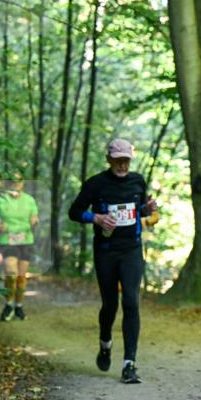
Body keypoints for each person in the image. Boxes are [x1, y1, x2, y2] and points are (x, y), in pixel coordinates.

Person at [68, 139, 158, 384]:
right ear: (109, 159)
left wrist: (148, 208)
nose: (122, 165)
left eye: (126, 160)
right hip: (106, 252)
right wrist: (96, 218)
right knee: (110, 305)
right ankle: (105, 343)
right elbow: (74, 212)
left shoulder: (137, 181)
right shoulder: (95, 184)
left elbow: (139, 209)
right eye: (118, 160)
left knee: (131, 302)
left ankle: (129, 364)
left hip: (131, 251)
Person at [0, 178, 39, 321]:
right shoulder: (1, 199)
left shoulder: (29, 200)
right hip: (8, 240)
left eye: (19, 180)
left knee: (21, 277)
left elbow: (34, 217)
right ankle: (8, 304)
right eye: (13, 180)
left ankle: (18, 306)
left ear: (23, 183)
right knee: (11, 274)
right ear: (8, 183)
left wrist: (34, 221)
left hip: (25, 240)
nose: (16, 183)